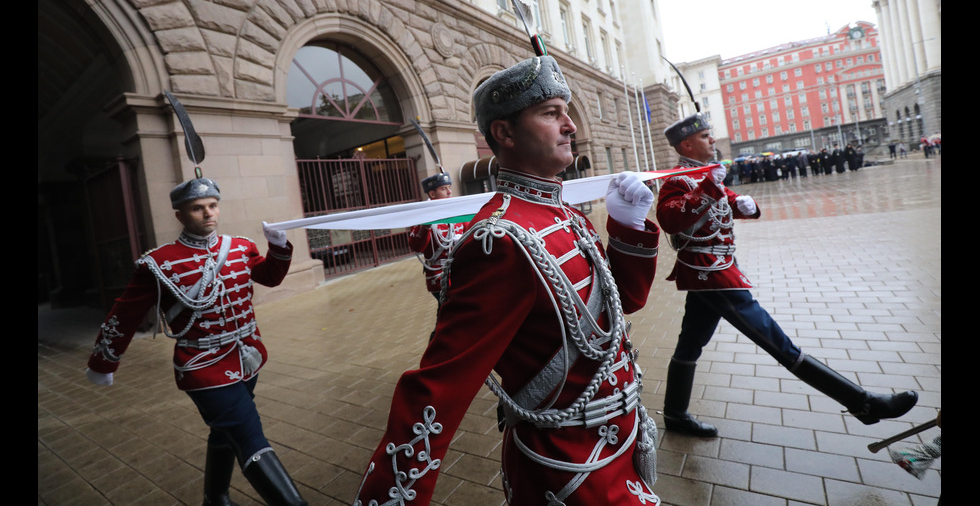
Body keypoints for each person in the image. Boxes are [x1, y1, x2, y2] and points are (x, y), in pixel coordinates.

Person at [353, 56, 664, 505]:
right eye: (551, 113)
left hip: (624, 440)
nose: (570, 125)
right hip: (569, 466)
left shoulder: (565, 213)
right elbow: (441, 384)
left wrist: (629, 227)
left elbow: (621, 307)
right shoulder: (498, 238)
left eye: (566, 112)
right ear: (504, 133)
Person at [655, 113, 918, 438]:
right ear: (687, 144)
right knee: (779, 344)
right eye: (707, 135)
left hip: (715, 272)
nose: (712, 140)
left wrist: (741, 204)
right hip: (710, 274)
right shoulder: (677, 180)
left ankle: (675, 415)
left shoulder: (704, 174)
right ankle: (863, 403)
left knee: (689, 345)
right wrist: (711, 187)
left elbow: (718, 205)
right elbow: (670, 219)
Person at [85, 177, 307, 506]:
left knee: (224, 430)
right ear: (180, 215)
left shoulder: (241, 247)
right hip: (203, 367)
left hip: (248, 358)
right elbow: (126, 313)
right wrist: (104, 361)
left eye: (213, 206)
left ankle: (214, 497)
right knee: (248, 437)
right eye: (197, 208)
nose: (208, 214)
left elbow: (270, 277)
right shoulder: (158, 263)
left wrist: (277, 246)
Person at [408, 172, 466, 303]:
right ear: (432, 194)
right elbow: (416, 246)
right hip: (439, 277)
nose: (449, 192)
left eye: (449, 187)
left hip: (461, 273)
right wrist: (426, 225)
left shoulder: (457, 211)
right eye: (444, 188)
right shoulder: (423, 216)